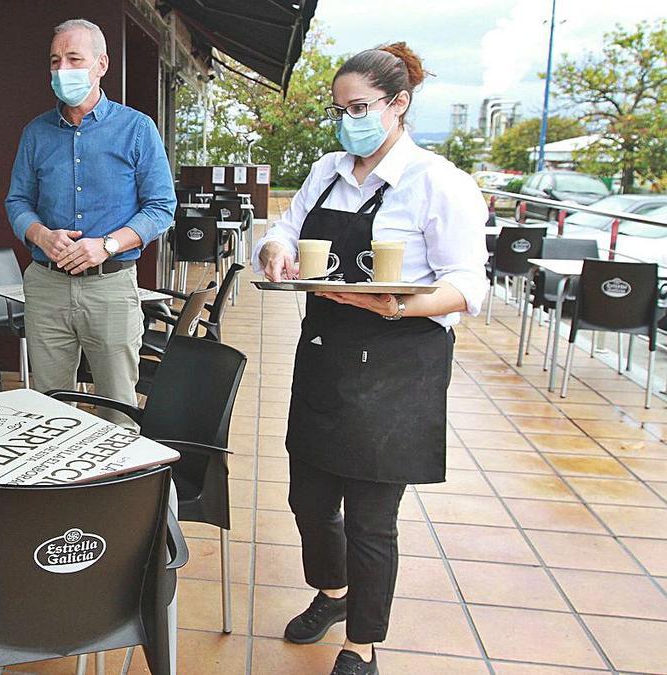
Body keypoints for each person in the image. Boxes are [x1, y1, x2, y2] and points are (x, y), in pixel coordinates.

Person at [252, 43, 487, 675]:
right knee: (308, 499)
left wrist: (395, 306)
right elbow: (286, 229)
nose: (348, 120)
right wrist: (274, 251)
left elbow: (469, 286)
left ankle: (362, 644)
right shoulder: (329, 169)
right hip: (326, 360)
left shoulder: (438, 182)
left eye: (360, 107)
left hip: (397, 369)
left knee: (372, 521)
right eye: (340, 109)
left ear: (399, 104)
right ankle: (333, 595)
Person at [5, 18, 175, 415]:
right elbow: (16, 201)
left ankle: (124, 479)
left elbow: (161, 207)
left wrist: (107, 245)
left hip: (110, 287)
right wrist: (41, 236)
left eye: (74, 58)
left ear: (101, 65)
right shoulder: (36, 133)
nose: (63, 70)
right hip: (47, 285)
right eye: (55, 61)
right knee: (49, 409)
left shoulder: (137, 129)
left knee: (119, 408)